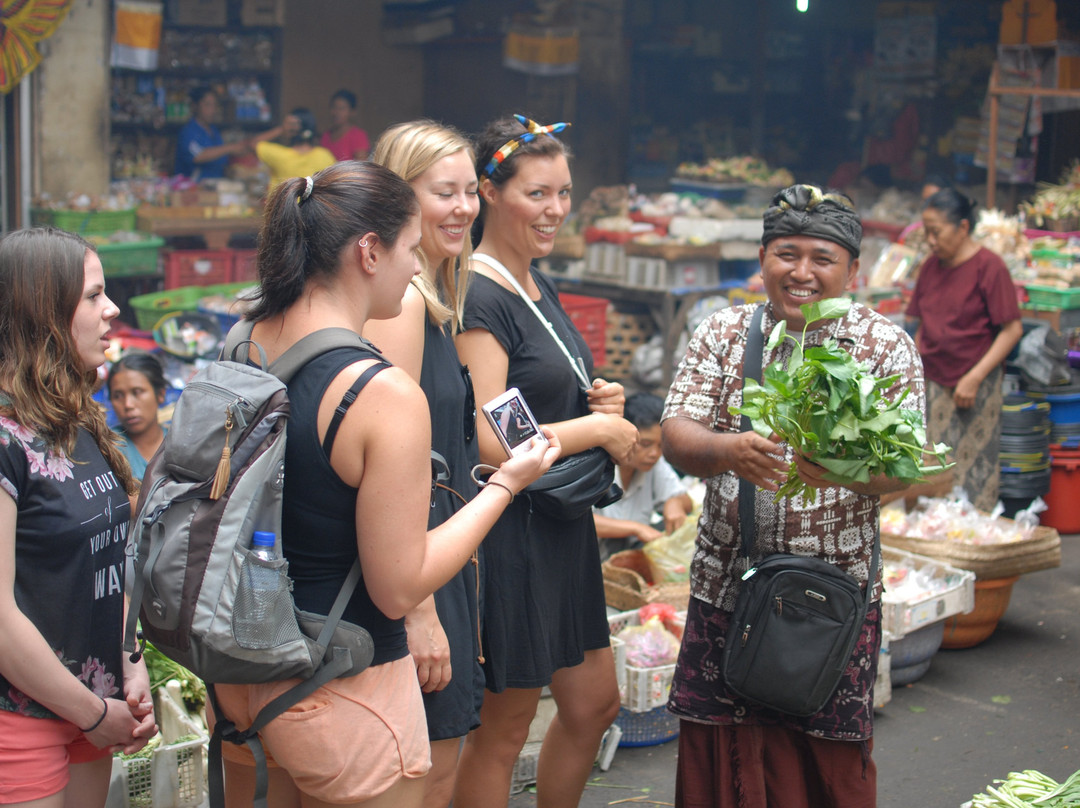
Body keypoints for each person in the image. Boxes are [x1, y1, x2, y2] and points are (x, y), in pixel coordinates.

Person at [210, 161, 558, 808]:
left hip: (238, 681)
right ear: (369, 252)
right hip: (344, 687)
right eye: (409, 248)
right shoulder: (380, 393)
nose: (416, 267)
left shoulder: (239, 346)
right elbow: (397, 585)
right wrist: (505, 486)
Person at [661, 184, 925, 808]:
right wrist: (728, 450)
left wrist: (845, 471)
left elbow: (904, 469)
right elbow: (676, 432)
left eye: (821, 258)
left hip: (830, 599)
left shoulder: (884, 345)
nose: (801, 272)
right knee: (717, 751)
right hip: (726, 585)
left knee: (827, 760)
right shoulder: (723, 331)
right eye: (786, 254)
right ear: (762, 259)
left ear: (852, 271)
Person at [452, 114, 637, 808]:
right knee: (504, 732)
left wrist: (600, 399)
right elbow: (497, 439)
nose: (556, 208)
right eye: (537, 194)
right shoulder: (481, 295)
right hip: (513, 535)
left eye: (563, 192)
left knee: (594, 704)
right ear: (489, 194)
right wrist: (596, 429)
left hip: (561, 527)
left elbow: (536, 403)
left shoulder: (534, 282)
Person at [0, 227, 158, 806]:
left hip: (95, 706)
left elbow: (108, 564)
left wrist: (131, 659)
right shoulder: (6, 438)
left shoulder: (77, 417)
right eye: (93, 296)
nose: (111, 309)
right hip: (22, 719)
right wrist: (91, 713)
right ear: (43, 310)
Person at [365, 119, 482, 807]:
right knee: (425, 776)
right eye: (444, 192)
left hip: (435, 555)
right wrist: (421, 611)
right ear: (398, 198)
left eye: (470, 191)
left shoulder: (436, 302)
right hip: (412, 569)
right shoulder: (403, 304)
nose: (464, 207)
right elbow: (390, 464)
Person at [906, 187, 1022, 512]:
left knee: (975, 469)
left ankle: (975, 544)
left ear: (963, 228)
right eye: (926, 232)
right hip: (932, 379)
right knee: (929, 466)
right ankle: (927, 542)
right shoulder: (930, 267)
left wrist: (975, 376)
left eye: (936, 232)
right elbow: (920, 326)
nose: (930, 240)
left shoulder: (990, 267)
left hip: (978, 382)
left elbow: (1012, 330)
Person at [593, 392, 693, 561]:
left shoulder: (654, 465)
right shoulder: (595, 465)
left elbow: (686, 502)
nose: (654, 453)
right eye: (645, 444)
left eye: (661, 446)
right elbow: (581, 521)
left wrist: (675, 502)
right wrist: (636, 528)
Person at [107, 351, 168, 482]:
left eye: (137, 392)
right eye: (117, 396)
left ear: (161, 394)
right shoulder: (110, 449)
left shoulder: (179, 443)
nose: (128, 405)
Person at [174, 86, 246, 180]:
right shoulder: (188, 132)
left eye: (214, 105)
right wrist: (230, 147)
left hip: (217, 185)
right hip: (193, 188)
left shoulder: (214, 131)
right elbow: (198, 156)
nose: (213, 110)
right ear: (195, 106)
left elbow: (221, 160)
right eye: (207, 105)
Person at [255, 107, 336, 191]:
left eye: (289, 124)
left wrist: (281, 129)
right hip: (313, 204)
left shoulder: (279, 155)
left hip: (283, 204)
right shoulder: (324, 156)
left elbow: (252, 144)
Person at [321, 89, 370, 162]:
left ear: (352, 112)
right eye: (334, 107)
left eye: (342, 109)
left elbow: (361, 167)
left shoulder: (358, 136)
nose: (337, 112)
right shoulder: (325, 136)